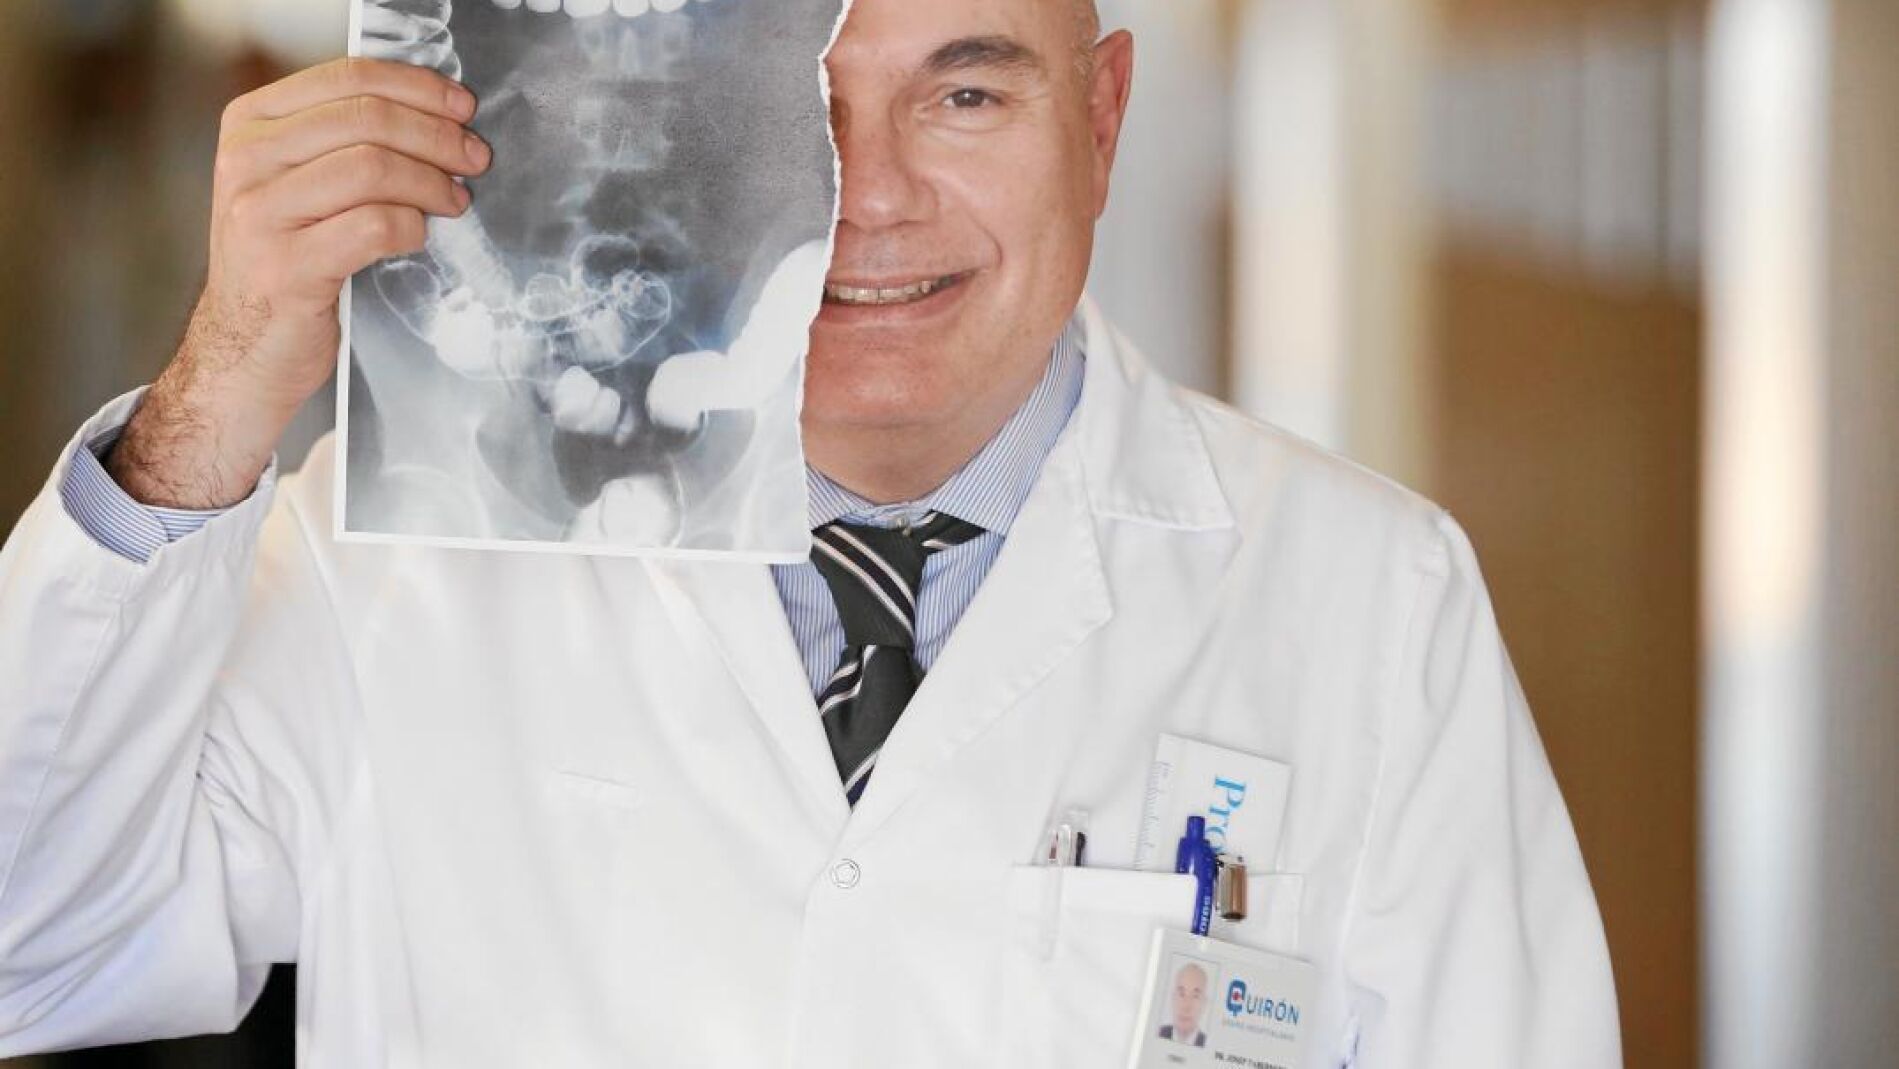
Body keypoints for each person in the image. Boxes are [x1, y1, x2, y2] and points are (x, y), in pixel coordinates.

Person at [0, 0, 1622, 1065]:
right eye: (795, 106)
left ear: (1102, 115)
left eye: (964, 92)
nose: (868, 196)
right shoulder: (400, 563)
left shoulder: (1365, 600)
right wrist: (220, 387)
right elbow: (34, 951)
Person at [1159, 961, 1209, 1047]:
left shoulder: (1208, 1044)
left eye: (1195, 996)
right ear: (1172, 998)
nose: (1186, 1006)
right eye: (1181, 994)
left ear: (1204, 1003)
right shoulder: (1158, 1033)